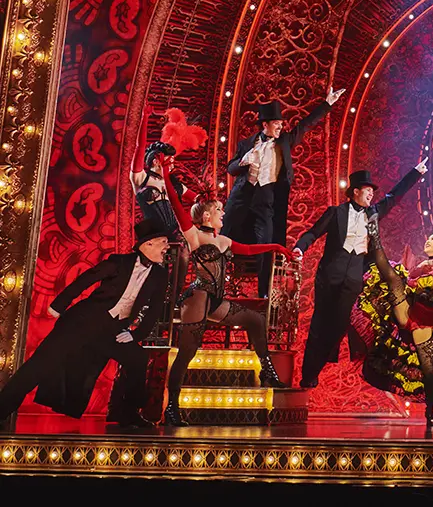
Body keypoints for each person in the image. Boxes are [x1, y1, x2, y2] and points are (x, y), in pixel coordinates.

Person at [0, 219, 171, 429]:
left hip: (110, 331)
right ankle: (2, 409)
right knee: (40, 365)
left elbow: (155, 308)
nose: (167, 246)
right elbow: (86, 280)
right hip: (81, 323)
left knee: (136, 358)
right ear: (148, 244)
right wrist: (59, 305)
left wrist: (136, 335)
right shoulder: (119, 262)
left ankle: (128, 412)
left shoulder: (160, 275)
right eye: (163, 241)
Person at [162, 155, 294, 426]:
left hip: (216, 300)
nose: (224, 214)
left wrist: (276, 247)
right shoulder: (195, 236)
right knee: (188, 352)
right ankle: (172, 407)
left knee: (255, 319)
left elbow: (248, 249)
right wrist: (165, 174)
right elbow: (177, 209)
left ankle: (267, 370)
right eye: (220, 211)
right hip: (198, 298)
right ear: (208, 215)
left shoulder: (222, 239)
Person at [292, 160, 427, 389]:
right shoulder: (335, 213)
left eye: (372, 191)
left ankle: (322, 364)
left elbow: (395, 195)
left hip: (354, 277)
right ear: (355, 192)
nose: (371, 195)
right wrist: (300, 248)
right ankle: (308, 375)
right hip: (329, 276)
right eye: (367, 191)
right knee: (319, 326)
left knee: (338, 326)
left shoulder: (374, 213)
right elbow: (313, 233)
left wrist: (416, 173)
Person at [351, 220, 433, 432]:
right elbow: (410, 278)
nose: (427, 242)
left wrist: (420, 271)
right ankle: (375, 237)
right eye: (428, 239)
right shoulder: (421, 266)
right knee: (392, 277)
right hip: (407, 311)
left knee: (429, 371)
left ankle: (429, 410)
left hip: (425, 322)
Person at [225, 90, 342, 295]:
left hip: (267, 199)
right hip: (242, 198)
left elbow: (305, 125)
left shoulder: (285, 141)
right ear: (265, 125)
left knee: (267, 246)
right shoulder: (246, 144)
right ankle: (220, 285)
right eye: (276, 123)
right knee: (226, 239)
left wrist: (327, 104)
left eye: (281, 123)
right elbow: (231, 168)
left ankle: (264, 293)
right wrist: (244, 160)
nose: (280, 127)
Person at [131, 108, 208, 237]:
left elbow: (197, 199)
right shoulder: (141, 178)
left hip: (180, 236)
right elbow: (140, 146)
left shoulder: (174, 183)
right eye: (169, 161)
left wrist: (206, 200)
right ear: (156, 160)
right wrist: (145, 118)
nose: (172, 165)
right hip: (154, 238)